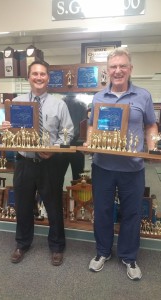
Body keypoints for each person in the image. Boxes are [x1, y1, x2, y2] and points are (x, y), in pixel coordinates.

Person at [84, 48, 158, 280]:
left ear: (130, 69)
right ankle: (103, 252)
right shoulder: (98, 97)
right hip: (103, 166)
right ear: (107, 71)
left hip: (132, 168)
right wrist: (89, 140)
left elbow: (150, 125)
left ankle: (128, 256)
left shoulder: (143, 96)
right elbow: (92, 125)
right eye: (113, 67)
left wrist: (152, 147)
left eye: (122, 66)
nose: (118, 71)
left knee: (132, 213)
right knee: (103, 211)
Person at [2, 60, 74, 266]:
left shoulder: (59, 104)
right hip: (24, 162)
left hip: (49, 164)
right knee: (23, 206)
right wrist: (6, 127)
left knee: (53, 206)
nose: (39, 77)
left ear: (48, 78)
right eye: (35, 74)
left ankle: (57, 246)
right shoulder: (16, 102)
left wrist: (53, 150)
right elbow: (11, 134)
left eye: (43, 74)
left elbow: (68, 133)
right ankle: (22, 243)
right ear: (28, 77)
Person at [59, 94, 87, 186]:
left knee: (58, 177)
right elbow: (83, 124)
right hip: (77, 143)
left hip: (61, 143)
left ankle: (58, 199)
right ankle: (77, 200)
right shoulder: (82, 104)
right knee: (78, 177)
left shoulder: (59, 103)